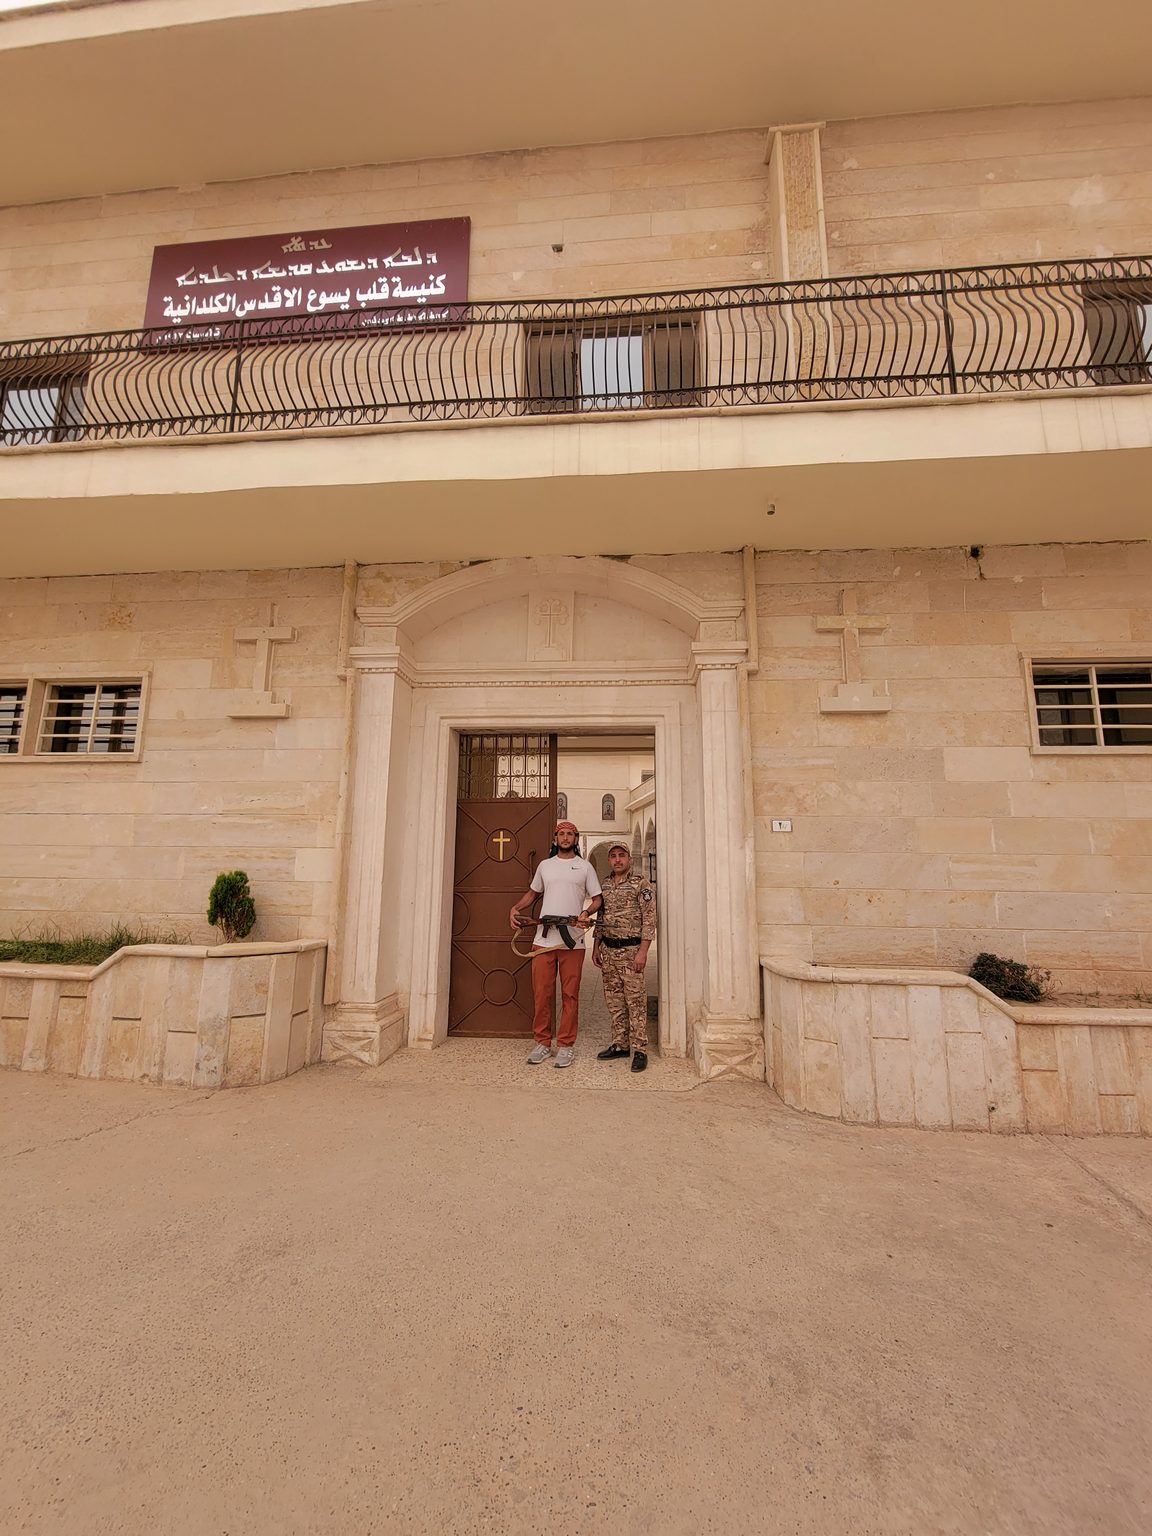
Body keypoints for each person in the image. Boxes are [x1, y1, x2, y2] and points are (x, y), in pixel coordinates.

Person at [509, 820, 602, 1068]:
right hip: (544, 939)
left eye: (570, 834)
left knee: (570, 994)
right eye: (561, 834)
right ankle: (541, 1043)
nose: (565, 838)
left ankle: (565, 1045)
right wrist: (516, 908)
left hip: (573, 941)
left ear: (576, 838)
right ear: (555, 839)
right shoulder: (545, 866)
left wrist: (586, 914)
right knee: (542, 993)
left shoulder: (584, 867)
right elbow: (533, 894)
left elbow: (597, 899)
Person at [593, 843, 656, 1073]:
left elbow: (649, 919)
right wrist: (596, 945)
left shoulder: (641, 884)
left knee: (636, 1002)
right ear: (609, 861)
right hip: (609, 953)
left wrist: (643, 952)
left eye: (622, 856)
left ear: (629, 858)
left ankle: (639, 1049)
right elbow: (601, 916)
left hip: (631, 953)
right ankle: (620, 1044)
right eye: (613, 857)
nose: (617, 860)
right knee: (615, 1002)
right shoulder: (606, 884)